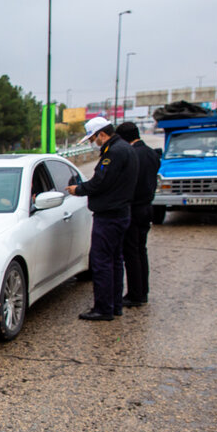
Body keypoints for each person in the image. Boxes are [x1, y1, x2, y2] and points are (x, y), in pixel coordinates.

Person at [66, 116, 138, 321]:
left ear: (102, 134)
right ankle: (114, 306)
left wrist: (77, 189)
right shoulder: (126, 149)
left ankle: (103, 308)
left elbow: (100, 183)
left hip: (109, 217)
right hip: (121, 213)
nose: (93, 142)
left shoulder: (113, 153)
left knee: (102, 262)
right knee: (115, 261)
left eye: (93, 138)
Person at [115, 122, 160, 307]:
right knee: (141, 250)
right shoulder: (151, 153)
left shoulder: (133, 155)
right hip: (147, 207)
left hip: (134, 208)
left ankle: (135, 294)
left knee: (131, 252)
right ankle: (143, 291)